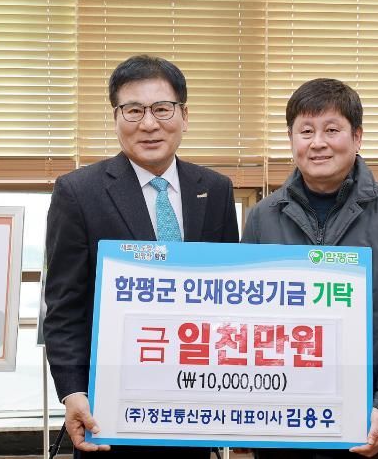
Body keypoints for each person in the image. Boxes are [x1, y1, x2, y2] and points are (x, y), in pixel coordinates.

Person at [43, 55, 239, 457]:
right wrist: (72, 392)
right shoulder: (78, 192)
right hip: (111, 409)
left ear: (184, 116)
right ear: (116, 117)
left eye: (162, 109)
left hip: (195, 401)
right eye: (133, 110)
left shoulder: (215, 189)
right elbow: (64, 306)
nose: (149, 124)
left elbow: (229, 295)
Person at [241, 78, 378, 459]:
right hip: (281, 418)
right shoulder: (262, 217)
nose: (318, 143)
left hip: (367, 420)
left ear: (357, 137)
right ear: (291, 139)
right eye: (305, 131)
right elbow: (244, 318)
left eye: (331, 130)